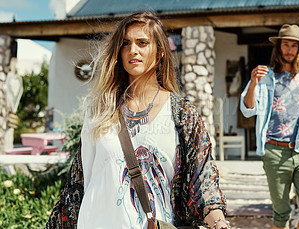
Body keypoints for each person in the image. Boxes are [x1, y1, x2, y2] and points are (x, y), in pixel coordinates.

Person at [46, 11, 229, 229]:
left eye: (142, 43)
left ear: (160, 52)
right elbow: (79, 181)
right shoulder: (99, 110)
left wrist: (218, 222)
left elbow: (203, 178)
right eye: (126, 44)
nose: (133, 50)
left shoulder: (183, 115)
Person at [240, 24, 299, 229]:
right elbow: (248, 109)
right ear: (279, 48)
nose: (289, 49)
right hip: (275, 152)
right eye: (285, 45)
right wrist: (253, 83)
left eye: (294, 46)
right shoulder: (265, 77)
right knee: (281, 214)